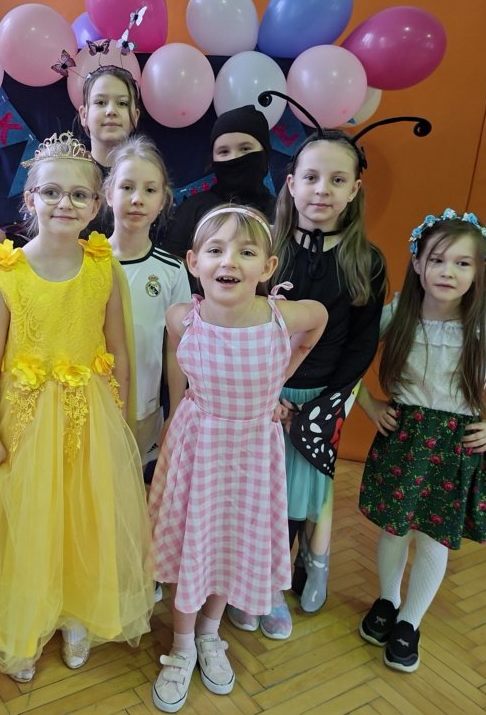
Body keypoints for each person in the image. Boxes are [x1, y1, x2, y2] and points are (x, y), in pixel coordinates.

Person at [0, 132, 154, 683]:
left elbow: (118, 349)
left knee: (83, 515)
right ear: (30, 199)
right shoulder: (7, 273)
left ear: (96, 205)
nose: (64, 204)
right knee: (26, 520)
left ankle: (76, 613)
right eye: (51, 192)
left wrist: (121, 417)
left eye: (78, 195)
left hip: (89, 416)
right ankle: (24, 622)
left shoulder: (103, 268)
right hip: (24, 421)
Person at [147, 205, 328, 712]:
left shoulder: (282, 317)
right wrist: (177, 408)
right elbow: (178, 360)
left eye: (246, 252)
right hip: (199, 448)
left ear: (267, 268)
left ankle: (210, 632)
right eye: (216, 250)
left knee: (230, 542)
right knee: (196, 542)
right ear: (194, 262)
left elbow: (319, 318)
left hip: (252, 452)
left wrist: (282, 374)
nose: (229, 260)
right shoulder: (183, 317)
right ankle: (182, 645)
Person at [355, 208, 486, 673]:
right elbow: (348, 360)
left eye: (463, 263)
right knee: (394, 528)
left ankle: (410, 620)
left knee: (433, 538)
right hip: (405, 439)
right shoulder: (397, 314)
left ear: (479, 271)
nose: (448, 271)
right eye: (438, 260)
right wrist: (371, 405)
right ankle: (387, 600)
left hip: (453, 445)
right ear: (417, 263)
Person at [226, 128, 387, 640]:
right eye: (312, 178)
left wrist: (328, 402)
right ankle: (244, 580)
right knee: (255, 493)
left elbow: (362, 342)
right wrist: (264, 394)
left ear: (354, 190)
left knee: (297, 498)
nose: (323, 190)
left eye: (337, 180)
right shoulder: (264, 250)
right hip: (261, 395)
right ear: (291, 184)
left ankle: (281, 580)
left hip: (322, 400)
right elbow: (238, 320)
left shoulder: (367, 261)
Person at [0, 64, 142, 261]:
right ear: (84, 115)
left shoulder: (145, 175)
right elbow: (39, 230)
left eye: (122, 103)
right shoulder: (64, 169)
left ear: (135, 116)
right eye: (100, 102)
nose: (111, 111)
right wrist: (6, 242)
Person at [104, 135, 192, 474]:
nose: (137, 199)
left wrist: (175, 411)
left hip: (144, 409)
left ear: (162, 200)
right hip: (90, 404)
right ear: (108, 194)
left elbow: (176, 348)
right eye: (127, 187)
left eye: (150, 190)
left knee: (134, 489)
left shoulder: (171, 271)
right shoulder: (86, 261)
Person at [161, 104, 275, 258]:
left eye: (245, 149)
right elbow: (172, 265)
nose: (234, 157)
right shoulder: (192, 209)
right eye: (224, 151)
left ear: (264, 153)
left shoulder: (281, 212)